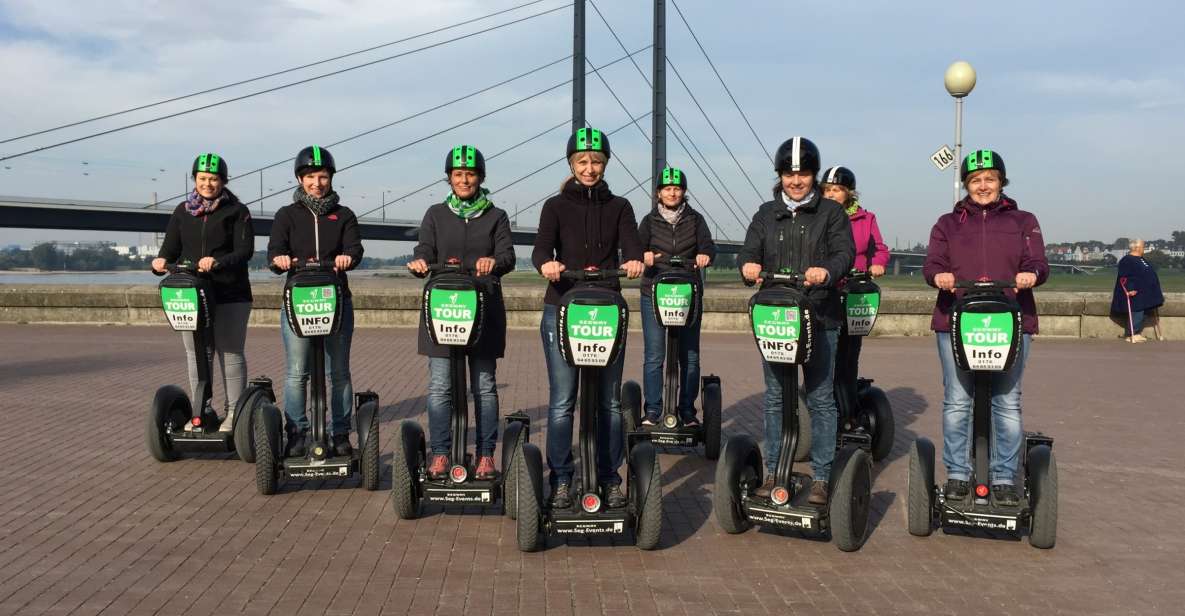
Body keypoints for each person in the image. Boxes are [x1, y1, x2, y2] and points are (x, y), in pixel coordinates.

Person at [922, 149, 1049, 506]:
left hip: (1011, 318)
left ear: (1001, 182)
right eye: (975, 180)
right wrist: (939, 276)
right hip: (956, 319)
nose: (983, 186)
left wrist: (1031, 274)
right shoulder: (947, 223)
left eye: (990, 179)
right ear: (966, 185)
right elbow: (932, 264)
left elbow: (1038, 262)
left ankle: (1004, 477)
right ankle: (959, 475)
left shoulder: (1024, 221)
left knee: (1007, 402)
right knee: (957, 401)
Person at [737, 136, 855, 506]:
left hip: (820, 314)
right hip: (777, 316)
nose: (796, 181)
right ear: (780, 176)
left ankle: (821, 476)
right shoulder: (765, 213)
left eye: (803, 174)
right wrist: (748, 266)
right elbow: (749, 250)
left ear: (813, 176)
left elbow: (845, 253)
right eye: (790, 174)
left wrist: (828, 271)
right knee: (775, 398)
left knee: (820, 398)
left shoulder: (831, 213)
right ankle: (775, 469)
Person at [532, 127, 644, 509]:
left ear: (606, 163)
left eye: (596, 161)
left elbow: (632, 245)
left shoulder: (620, 207)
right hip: (562, 305)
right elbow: (541, 248)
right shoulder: (555, 206)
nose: (590, 168)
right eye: (583, 161)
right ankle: (562, 478)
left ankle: (611, 479)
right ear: (571, 164)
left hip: (606, 309)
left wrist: (632, 260)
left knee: (609, 402)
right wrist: (547, 264)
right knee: (563, 400)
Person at [408, 145, 515, 479]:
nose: (464, 180)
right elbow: (424, 248)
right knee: (440, 386)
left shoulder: (496, 216)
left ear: (480, 177)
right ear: (450, 178)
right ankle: (440, 453)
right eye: (458, 174)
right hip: (443, 308)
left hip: (483, 307)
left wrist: (493, 262)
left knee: (483, 386)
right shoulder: (435, 214)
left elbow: (507, 256)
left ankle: (485, 455)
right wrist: (420, 261)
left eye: (470, 174)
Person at [267, 145, 364, 458]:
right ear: (299, 178)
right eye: (310, 176)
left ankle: (339, 433)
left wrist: (348, 258)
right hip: (298, 301)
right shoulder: (287, 215)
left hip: (337, 300)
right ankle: (296, 432)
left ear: (331, 178)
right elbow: (273, 253)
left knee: (339, 373)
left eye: (322, 176)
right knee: (297, 372)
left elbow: (355, 248)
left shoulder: (344, 214)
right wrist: (280, 260)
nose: (317, 183)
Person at [153, 153, 254, 431]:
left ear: (223, 180)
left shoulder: (237, 211)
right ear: (194, 179)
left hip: (230, 292)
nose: (208, 184)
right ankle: (202, 409)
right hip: (192, 293)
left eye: (213, 179)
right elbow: (170, 249)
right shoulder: (182, 211)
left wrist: (217, 262)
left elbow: (245, 251)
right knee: (197, 351)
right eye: (202, 178)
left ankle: (235, 413)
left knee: (230, 350)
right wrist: (160, 262)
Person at [638, 166, 716, 426]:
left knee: (690, 355)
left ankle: (686, 411)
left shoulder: (696, 220)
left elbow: (708, 247)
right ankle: (652, 411)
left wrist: (704, 255)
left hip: (688, 294)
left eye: (677, 188)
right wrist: (643, 256)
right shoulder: (649, 222)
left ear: (683, 192)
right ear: (658, 192)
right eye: (667, 188)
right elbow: (635, 250)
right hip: (654, 292)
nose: (672, 193)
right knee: (654, 354)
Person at [819, 166, 889, 415]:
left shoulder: (865, 219)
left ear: (848, 192)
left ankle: (847, 407)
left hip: (854, 290)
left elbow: (879, 248)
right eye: (826, 190)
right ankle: (822, 406)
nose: (831, 194)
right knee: (826, 353)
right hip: (825, 290)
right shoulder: (815, 216)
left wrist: (878, 263)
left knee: (849, 355)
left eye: (836, 190)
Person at [1111, 239, 1164, 343]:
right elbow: (1125, 277)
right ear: (1137, 247)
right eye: (1143, 246)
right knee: (1137, 311)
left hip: (1146, 292)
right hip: (1135, 292)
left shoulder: (1141, 259)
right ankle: (1131, 334)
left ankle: (1137, 333)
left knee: (1143, 312)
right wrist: (1129, 289)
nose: (1144, 248)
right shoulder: (1127, 260)